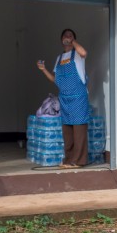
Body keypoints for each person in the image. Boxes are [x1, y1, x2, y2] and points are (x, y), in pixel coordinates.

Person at [36, 28, 90, 168]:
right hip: (64, 98)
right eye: (65, 36)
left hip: (78, 97)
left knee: (79, 130)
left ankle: (78, 161)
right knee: (67, 131)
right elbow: (55, 79)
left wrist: (73, 42)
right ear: (61, 40)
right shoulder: (59, 59)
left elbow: (84, 52)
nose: (68, 37)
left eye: (71, 35)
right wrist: (43, 70)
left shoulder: (78, 54)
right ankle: (68, 160)